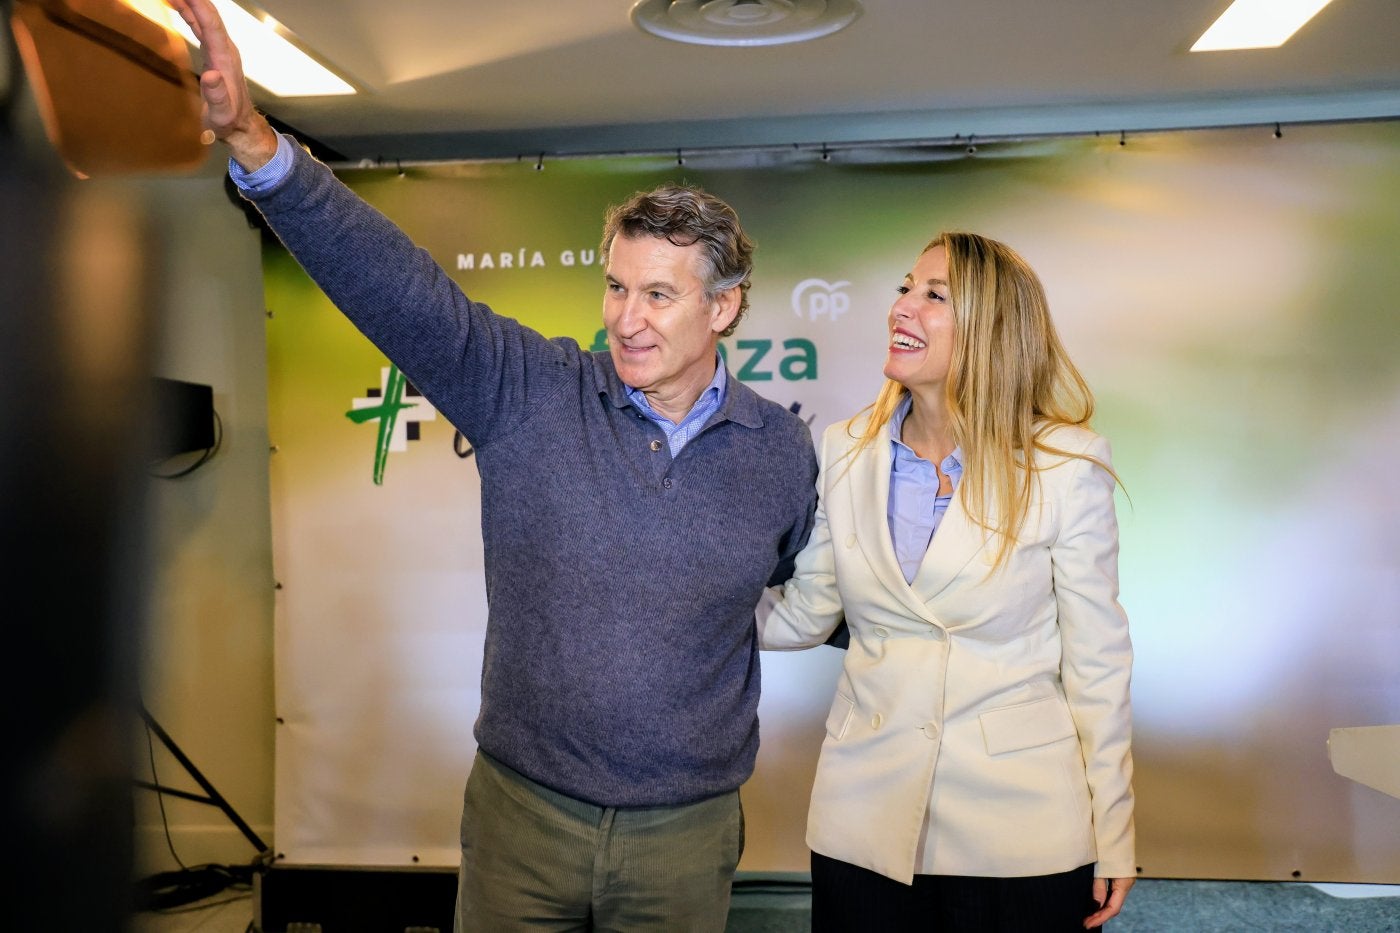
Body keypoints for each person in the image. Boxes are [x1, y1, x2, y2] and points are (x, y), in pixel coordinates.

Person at [168, 2, 818, 930]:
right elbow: (401, 291)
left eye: (660, 295)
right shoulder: (533, 389)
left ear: (723, 308)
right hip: (524, 821)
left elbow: (821, 589)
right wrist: (255, 142)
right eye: (617, 286)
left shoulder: (779, 450)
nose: (627, 318)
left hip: (687, 833)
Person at [757, 232, 1136, 931]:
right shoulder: (844, 450)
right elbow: (806, 613)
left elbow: (1097, 666)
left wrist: (1113, 830)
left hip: (1023, 834)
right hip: (863, 820)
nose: (903, 307)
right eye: (905, 287)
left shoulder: (1066, 466)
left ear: (994, 329)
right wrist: (683, 597)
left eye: (934, 296)